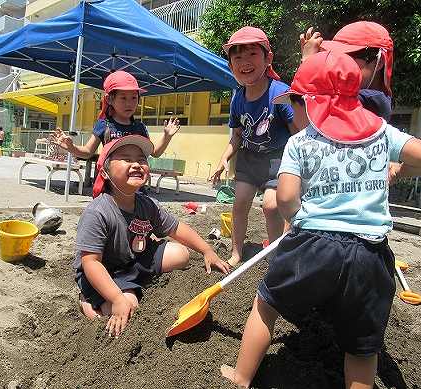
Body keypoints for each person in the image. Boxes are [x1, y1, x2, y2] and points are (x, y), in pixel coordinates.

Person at [220, 51, 421, 389]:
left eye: (295, 103)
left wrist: (296, 219)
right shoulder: (381, 131)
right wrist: (397, 167)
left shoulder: (300, 141)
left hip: (313, 244)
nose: (293, 112)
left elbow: (286, 198)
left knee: (266, 305)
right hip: (370, 253)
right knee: (362, 348)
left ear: (311, 102)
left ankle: (241, 377)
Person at [75, 134, 231, 337]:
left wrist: (206, 250)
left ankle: (133, 284)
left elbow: (176, 228)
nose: (137, 164)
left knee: (181, 255)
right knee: (129, 306)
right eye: (127, 159)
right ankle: (88, 303)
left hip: (135, 259)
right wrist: (117, 299)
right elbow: (91, 263)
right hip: (106, 271)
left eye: (141, 160)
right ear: (104, 172)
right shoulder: (98, 212)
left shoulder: (146, 204)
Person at [210, 27, 296, 266]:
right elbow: (237, 135)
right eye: (237, 57)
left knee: (271, 206)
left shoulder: (280, 93)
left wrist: (300, 170)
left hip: (277, 159)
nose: (244, 62)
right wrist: (224, 158)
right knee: (239, 204)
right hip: (249, 159)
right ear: (230, 65)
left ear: (268, 58)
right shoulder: (238, 97)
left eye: (251, 55)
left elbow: (297, 133)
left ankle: (277, 254)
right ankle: (237, 252)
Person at [52, 70, 180, 160]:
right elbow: (87, 152)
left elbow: (155, 153)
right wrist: (71, 147)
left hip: (133, 186)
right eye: (123, 98)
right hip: (109, 186)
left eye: (134, 98)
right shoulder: (103, 125)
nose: (129, 103)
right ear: (109, 99)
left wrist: (167, 136)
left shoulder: (139, 128)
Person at [300, 21, 394, 121]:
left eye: (350, 56)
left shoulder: (373, 101)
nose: (340, 62)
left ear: (379, 62)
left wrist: (308, 62)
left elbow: (304, 110)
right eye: (336, 55)